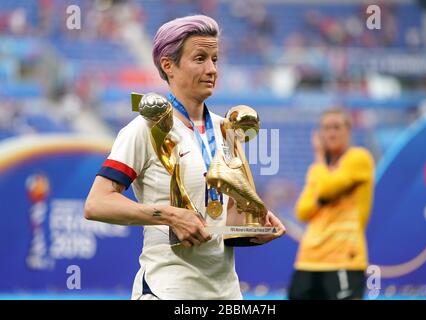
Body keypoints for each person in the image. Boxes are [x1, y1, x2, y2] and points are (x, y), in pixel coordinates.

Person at [84, 15, 285, 300]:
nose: (212, 69)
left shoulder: (227, 130)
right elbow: (97, 203)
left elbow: (221, 217)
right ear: (168, 65)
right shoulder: (145, 128)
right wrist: (170, 215)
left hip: (226, 294)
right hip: (166, 290)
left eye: (215, 59)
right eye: (200, 58)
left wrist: (254, 227)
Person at [288, 108, 375, 300]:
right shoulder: (317, 170)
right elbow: (302, 211)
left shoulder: (358, 158)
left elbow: (327, 188)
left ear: (348, 131)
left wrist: (319, 158)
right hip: (309, 259)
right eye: (326, 128)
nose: (331, 133)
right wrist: (323, 198)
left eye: (336, 127)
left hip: (344, 258)